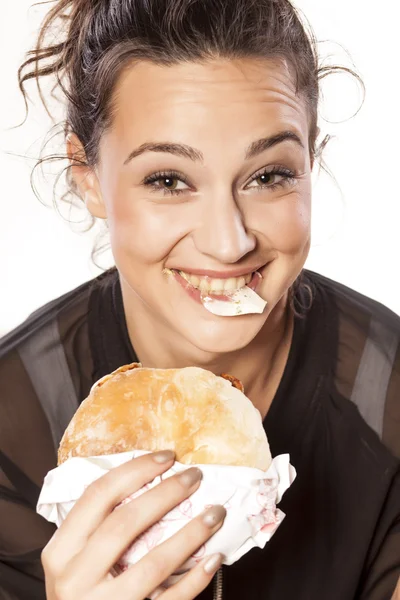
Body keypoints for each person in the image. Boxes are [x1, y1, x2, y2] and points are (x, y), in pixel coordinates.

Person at [0, 0, 399, 598]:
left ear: (310, 160)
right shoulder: (13, 422)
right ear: (89, 179)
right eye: (168, 180)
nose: (228, 241)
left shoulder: (389, 399)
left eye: (269, 175)